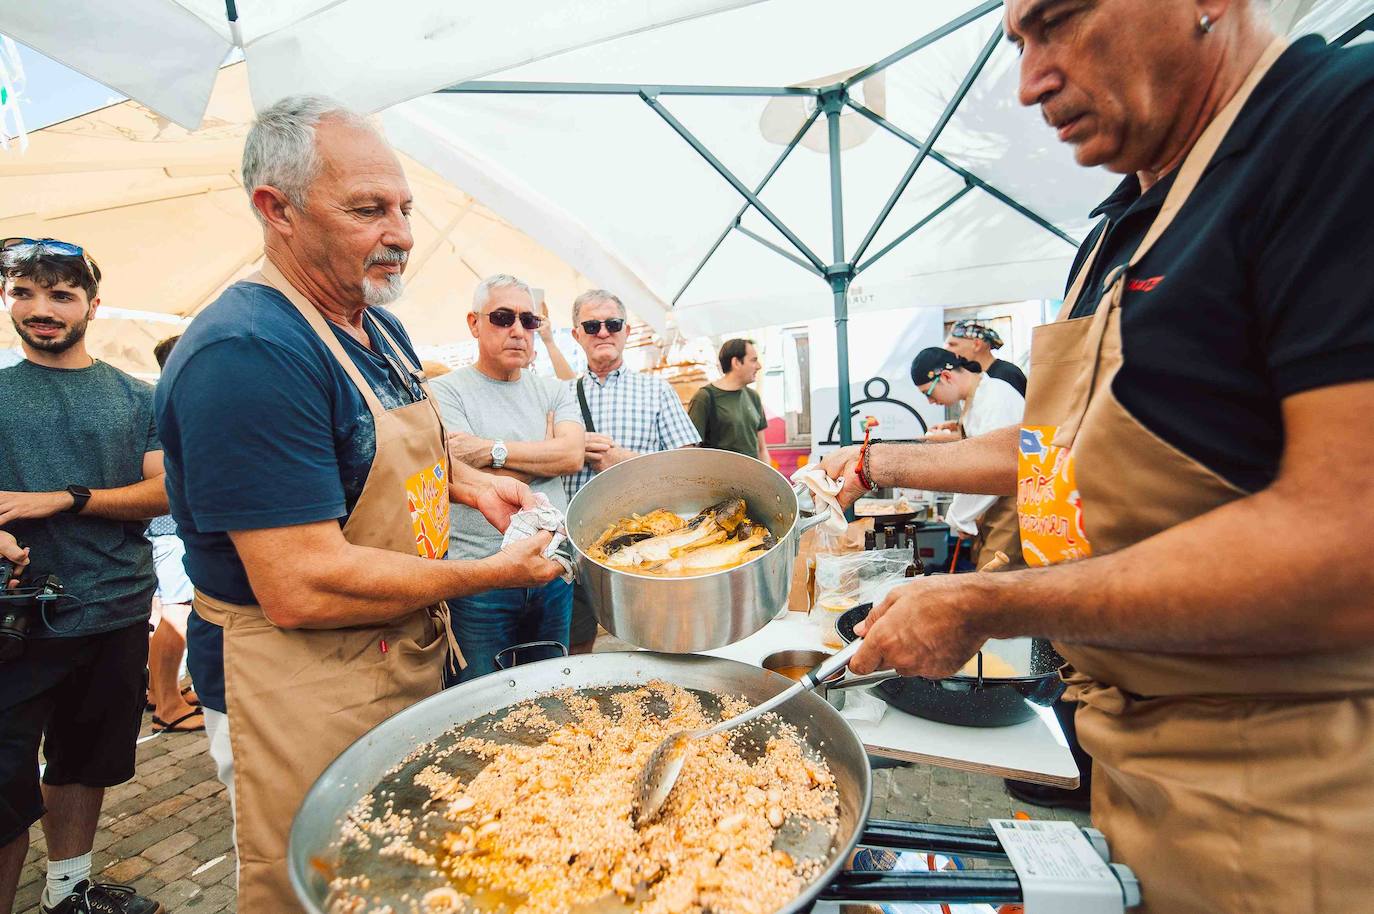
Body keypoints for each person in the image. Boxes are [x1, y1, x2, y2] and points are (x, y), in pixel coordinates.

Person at [821, 3, 1374, 910]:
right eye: (1020, 43)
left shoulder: (1336, 130)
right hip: (1131, 758)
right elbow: (1054, 454)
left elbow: (1351, 542)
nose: (1031, 80)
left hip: (1288, 790)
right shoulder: (1124, 225)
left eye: (1062, 21)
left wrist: (988, 601)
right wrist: (880, 464)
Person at [155, 97, 563, 911]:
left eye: (405, 207)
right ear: (277, 209)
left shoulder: (380, 326)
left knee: (407, 880)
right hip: (299, 684)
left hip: (398, 654)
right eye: (368, 210)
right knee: (326, 887)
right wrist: (486, 578)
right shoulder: (248, 355)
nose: (402, 233)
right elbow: (300, 583)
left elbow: (392, 448)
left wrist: (471, 482)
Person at [0, 239, 167, 914]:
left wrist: (69, 497)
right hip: (13, 624)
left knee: (85, 763)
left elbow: (167, 494)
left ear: (92, 306)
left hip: (116, 611)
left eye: (62, 294)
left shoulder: (137, 397)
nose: (43, 309)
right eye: (25, 293)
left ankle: (68, 892)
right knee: (5, 788)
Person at [432, 274, 584, 682]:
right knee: (479, 701)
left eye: (529, 320)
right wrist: (542, 454)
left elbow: (571, 455)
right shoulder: (442, 392)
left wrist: (490, 452)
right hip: (480, 577)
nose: (518, 330)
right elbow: (455, 468)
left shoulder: (555, 391)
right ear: (474, 323)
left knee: (552, 693)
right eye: (502, 317)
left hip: (553, 569)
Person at [563, 289, 701, 653]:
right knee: (575, 645)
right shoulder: (560, 396)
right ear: (577, 334)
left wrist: (623, 460)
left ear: (626, 331)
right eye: (592, 325)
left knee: (656, 640)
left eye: (613, 324)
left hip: (648, 546)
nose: (603, 332)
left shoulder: (657, 390)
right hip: (575, 547)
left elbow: (689, 472)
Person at [909, 348, 1024, 566]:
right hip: (992, 502)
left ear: (946, 376)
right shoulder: (977, 395)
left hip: (1011, 503)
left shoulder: (996, 398)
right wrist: (954, 431)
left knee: (994, 580)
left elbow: (991, 465)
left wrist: (959, 517)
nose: (930, 402)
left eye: (928, 393)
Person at [144, 335, 202, 735]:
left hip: (169, 529)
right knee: (177, 611)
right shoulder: (172, 406)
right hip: (170, 529)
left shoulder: (163, 403)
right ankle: (167, 703)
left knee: (178, 609)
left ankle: (163, 690)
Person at [689, 338, 771, 465]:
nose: (759, 366)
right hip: (718, 481)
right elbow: (691, 451)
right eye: (753, 360)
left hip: (753, 481)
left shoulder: (753, 396)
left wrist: (769, 481)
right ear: (736, 362)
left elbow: (762, 449)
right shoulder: (705, 397)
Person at [945, 321, 1026, 396]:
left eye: (953, 344)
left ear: (977, 345)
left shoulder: (1007, 375)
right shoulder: (977, 378)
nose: (947, 350)